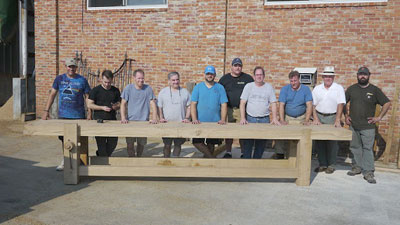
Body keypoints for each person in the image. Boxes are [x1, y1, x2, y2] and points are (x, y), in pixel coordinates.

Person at [42, 58, 91, 171]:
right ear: (66, 67)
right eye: (69, 66)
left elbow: (88, 97)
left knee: (80, 139)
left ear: (76, 67)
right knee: (64, 140)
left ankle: (80, 161)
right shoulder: (59, 79)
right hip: (63, 115)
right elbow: (52, 94)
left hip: (78, 115)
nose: (71, 69)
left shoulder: (82, 80)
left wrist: (89, 112)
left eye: (73, 66)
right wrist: (46, 111)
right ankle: (65, 160)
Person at [345, 67, 391, 184]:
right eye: (360, 74)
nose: (362, 76)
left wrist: (379, 117)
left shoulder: (374, 90)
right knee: (355, 147)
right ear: (357, 75)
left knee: (367, 149)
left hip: (368, 126)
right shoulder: (352, 89)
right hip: (354, 125)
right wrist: (346, 115)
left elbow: (386, 103)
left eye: (365, 74)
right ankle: (357, 167)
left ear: (369, 75)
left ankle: (368, 171)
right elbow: (342, 102)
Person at [239, 66, 280, 159]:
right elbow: (242, 103)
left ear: (264, 76)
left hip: (264, 119)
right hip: (250, 119)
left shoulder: (268, 87)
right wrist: (242, 118)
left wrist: (274, 118)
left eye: (260, 74)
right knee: (248, 143)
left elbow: (273, 103)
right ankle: (246, 163)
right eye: (257, 75)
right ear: (254, 76)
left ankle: (256, 164)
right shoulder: (248, 86)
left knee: (261, 145)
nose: (259, 76)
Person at [312, 66, 345, 174]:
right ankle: (322, 164)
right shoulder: (317, 88)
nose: (328, 78)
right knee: (320, 142)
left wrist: (337, 119)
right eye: (326, 76)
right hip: (320, 116)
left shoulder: (338, 88)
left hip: (332, 116)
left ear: (333, 77)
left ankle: (331, 165)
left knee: (332, 142)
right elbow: (313, 105)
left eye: (330, 76)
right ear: (323, 77)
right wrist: (316, 118)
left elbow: (340, 104)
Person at [219, 58, 254, 158]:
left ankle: (243, 152)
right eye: (235, 65)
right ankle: (228, 152)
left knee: (242, 132)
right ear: (231, 67)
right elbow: (219, 93)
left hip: (241, 110)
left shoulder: (248, 78)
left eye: (239, 65)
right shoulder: (224, 79)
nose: (237, 67)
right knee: (228, 132)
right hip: (228, 109)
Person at [191, 65, 228, 158]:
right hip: (200, 122)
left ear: (215, 75)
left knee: (211, 144)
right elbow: (193, 104)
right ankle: (211, 159)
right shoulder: (198, 87)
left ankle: (208, 163)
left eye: (211, 74)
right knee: (197, 142)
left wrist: (223, 119)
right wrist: (194, 119)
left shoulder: (220, 87)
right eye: (207, 73)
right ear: (204, 74)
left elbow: (224, 104)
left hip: (215, 121)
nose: (209, 75)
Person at [274, 70, 313, 159]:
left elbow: (309, 105)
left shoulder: (306, 89)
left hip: (301, 117)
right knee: (280, 135)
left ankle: (300, 156)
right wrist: (282, 120)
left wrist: (307, 120)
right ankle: (279, 154)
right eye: (291, 81)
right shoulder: (285, 89)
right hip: (287, 117)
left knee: (302, 136)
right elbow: (281, 105)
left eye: (295, 81)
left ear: (299, 80)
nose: (293, 83)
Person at [120, 69, 158, 157]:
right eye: (139, 78)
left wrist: (154, 118)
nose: (141, 80)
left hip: (144, 122)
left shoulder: (148, 88)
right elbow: (123, 103)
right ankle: (132, 160)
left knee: (141, 145)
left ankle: (138, 159)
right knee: (130, 145)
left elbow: (153, 103)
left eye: (142, 78)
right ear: (134, 78)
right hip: (130, 122)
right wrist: (123, 117)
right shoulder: (128, 88)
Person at [87, 70, 121, 157]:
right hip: (99, 121)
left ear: (112, 80)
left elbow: (120, 104)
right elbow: (89, 104)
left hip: (112, 120)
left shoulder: (115, 91)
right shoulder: (95, 90)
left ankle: (101, 156)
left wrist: (116, 107)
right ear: (101, 79)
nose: (107, 84)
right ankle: (103, 163)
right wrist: (102, 107)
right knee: (101, 144)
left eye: (109, 82)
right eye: (105, 82)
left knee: (113, 142)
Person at [158, 72, 191, 157]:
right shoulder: (163, 92)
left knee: (178, 145)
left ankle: (175, 160)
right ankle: (166, 160)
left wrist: (187, 118)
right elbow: (159, 107)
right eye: (173, 80)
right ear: (169, 81)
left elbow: (189, 106)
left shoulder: (185, 92)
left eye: (177, 79)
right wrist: (161, 118)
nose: (175, 82)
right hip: (167, 124)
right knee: (167, 145)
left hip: (180, 124)